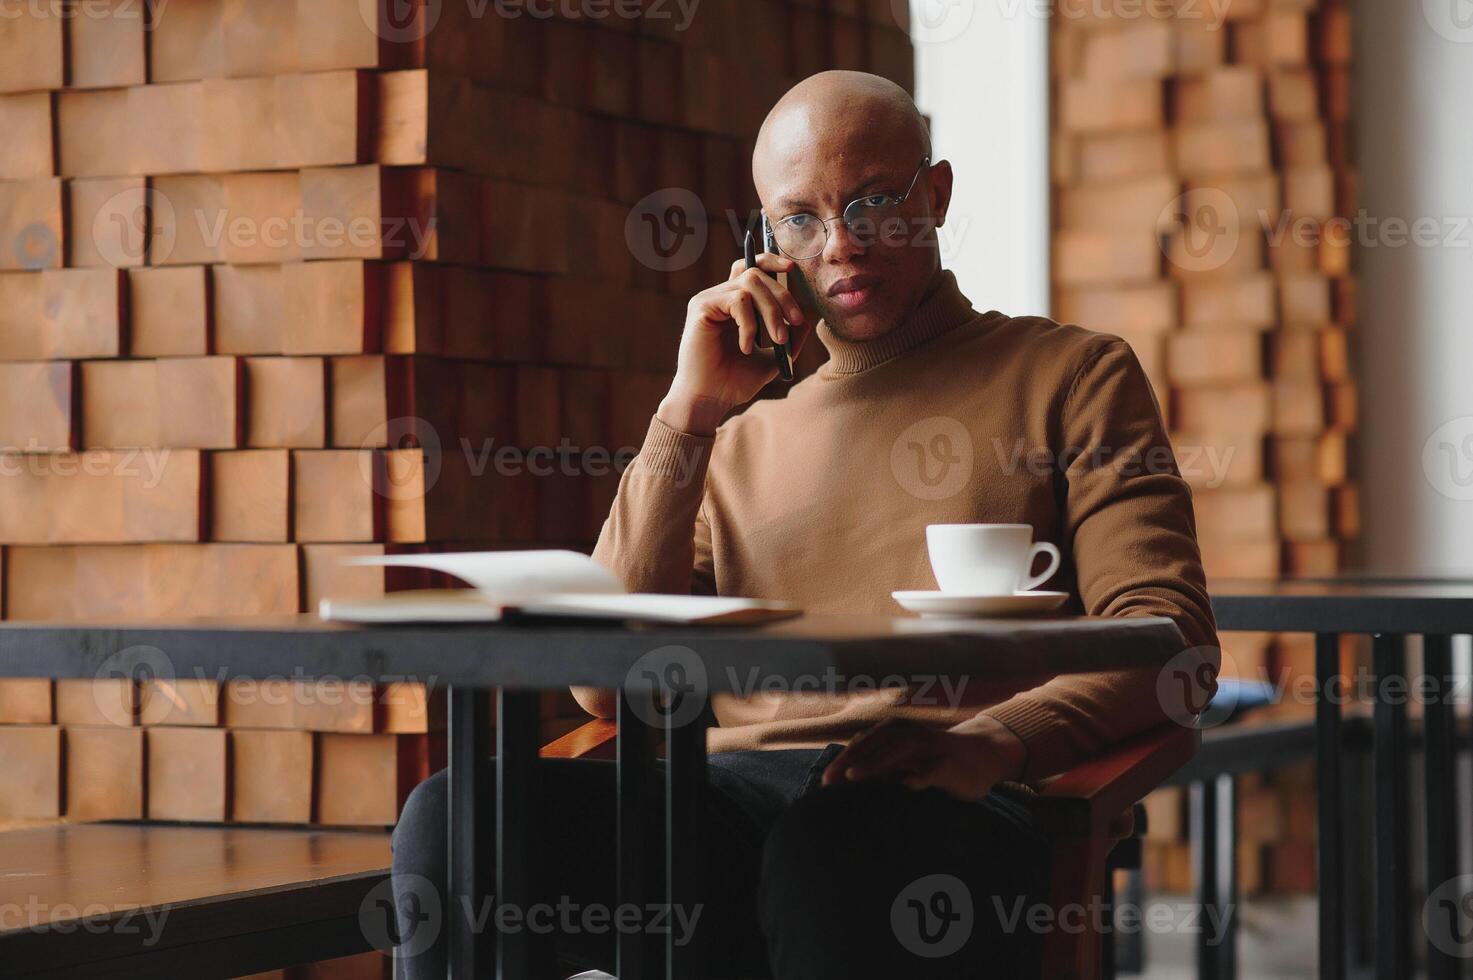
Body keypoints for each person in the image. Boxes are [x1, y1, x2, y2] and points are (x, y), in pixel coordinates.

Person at [392, 69, 1218, 979]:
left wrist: (995, 738)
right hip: (726, 804)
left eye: (871, 203)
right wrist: (686, 416)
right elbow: (603, 687)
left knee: (827, 848)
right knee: (458, 816)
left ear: (934, 196)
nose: (840, 247)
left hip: (951, 795)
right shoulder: (737, 436)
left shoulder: (1071, 375)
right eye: (800, 219)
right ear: (764, 240)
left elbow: (1168, 638)